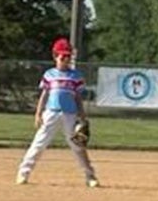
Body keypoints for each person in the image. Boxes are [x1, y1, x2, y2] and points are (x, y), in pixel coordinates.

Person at [16, 37, 100, 187]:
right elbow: (44, 95)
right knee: (38, 144)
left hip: (70, 115)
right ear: (55, 56)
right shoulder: (49, 74)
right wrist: (38, 113)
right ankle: (23, 173)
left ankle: (90, 176)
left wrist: (82, 118)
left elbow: (78, 98)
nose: (66, 59)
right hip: (51, 113)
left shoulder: (75, 76)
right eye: (63, 56)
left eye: (68, 56)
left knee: (78, 146)